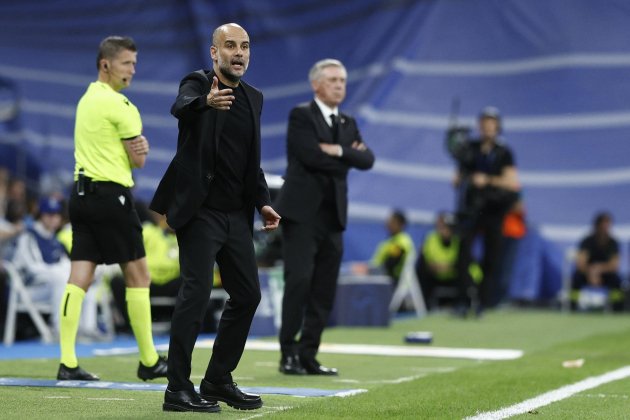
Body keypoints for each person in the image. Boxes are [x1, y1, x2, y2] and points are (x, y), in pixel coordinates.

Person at [150, 23, 280, 413]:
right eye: (230, 46)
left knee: (248, 295)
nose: (238, 53)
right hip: (199, 212)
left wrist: (263, 202)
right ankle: (177, 388)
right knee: (196, 293)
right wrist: (205, 102)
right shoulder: (197, 83)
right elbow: (180, 106)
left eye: (244, 46)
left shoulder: (254, 98)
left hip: (236, 215)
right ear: (214, 53)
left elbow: (249, 162)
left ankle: (218, 379)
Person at [57, 36, 167, 382]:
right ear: (106, 64)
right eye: (126, 63)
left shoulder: (86, 100)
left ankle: (68, 362)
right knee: (139, 276)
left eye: (134, 63)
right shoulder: (122, 107)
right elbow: (139, 160)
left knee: (80, 277)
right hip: (112, 198)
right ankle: (149, 360)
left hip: (81, 198)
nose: (133, 70)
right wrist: (140, 149)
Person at [274, 58, 375, 376]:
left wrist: (339, 152)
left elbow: (367, 159)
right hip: (302, 215)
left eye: (342, 80)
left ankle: (309, 355)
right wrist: (347, 156)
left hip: (333, 217)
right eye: (332, 79)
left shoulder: (347, 122)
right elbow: (309, 156)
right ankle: (287, 353)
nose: (339, 85)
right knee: (299, 283)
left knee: (324, 289)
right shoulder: (301, 115)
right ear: (316, 84)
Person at [453, 106, 520, 316]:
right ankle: (463, 302)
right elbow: (457, 178)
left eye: (491, 123)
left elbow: (512, 183)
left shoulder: (504, 152)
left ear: (498, 127)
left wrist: (487, 180)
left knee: (491, 258)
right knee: (463, 255)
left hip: (493, 211)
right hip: (471, 210)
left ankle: (483, 302)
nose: (487, 127)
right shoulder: (470, 148)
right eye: (484, 123)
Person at [11, 196, 101, 338]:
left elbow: (65, 263)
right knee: (61, 278)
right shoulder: (29, 236)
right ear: (41, 215)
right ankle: (59, 329)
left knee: (84, 282)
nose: (54, 219)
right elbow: (33, 269)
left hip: (51, 287)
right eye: (50, 215)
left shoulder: (55, 239)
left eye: (57, 215)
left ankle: (88, 328)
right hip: (28, 289)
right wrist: (61, 273)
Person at [415, 212, 482, 310]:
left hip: (455, 276)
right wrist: (436, 267)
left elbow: (464, 262)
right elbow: (427, 260)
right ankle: (424, 304)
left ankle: (464, 304)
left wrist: (448, 267)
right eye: (445, 227)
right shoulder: (431, 238)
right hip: (435, 275)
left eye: (450, 228)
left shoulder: (460, 240)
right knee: (421, 269)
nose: (447, 231)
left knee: (465, 272)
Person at [571, 212, 623, 311]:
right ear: (596, 226)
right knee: (576, 279)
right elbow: (581, 263)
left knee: (617, 282)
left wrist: (598, 270)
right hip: (587, 273)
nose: (605, 229)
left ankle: (617, 308)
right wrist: (591, 272)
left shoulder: (613, 243)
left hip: (605, 274)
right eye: (603, 226)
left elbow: (614, 265)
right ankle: (572, 306)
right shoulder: (587, 241)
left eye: (608, 225)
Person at [370, 210, 415, 285]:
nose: (388, 224)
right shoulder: (392, 240)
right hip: (380, 275)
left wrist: (369, 271)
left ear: (401, 225)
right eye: (388, 221)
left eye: (392, 222)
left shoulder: (400, 243)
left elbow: (390, 264)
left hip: (389, 281)